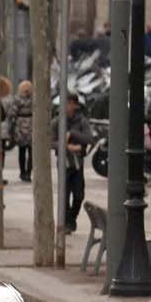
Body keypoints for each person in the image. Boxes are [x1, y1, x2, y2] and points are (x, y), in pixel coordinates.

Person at [60, 93, 94, 232]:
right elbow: (50, 141)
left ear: (75, 105)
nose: (66, 106)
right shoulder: (59, 120)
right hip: (64, 163)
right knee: (64, 195)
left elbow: (89, 139)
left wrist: (73, 134)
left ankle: (72, 218)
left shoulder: (82, 121)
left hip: (77, 163)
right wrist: (65, 146)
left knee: (79, 195)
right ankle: (68, 223)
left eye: (68, 103)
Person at [10, 80, 35, 181]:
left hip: (20, 126)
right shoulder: (34, 99)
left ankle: (23, 172)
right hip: (31, 126)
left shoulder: (17, 99)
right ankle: (28, 172)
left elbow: (12, 112)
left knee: (22, 151)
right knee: (31, 152)